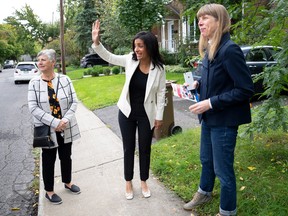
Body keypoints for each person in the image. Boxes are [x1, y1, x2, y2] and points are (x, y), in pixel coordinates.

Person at [183, 4, 254, 216]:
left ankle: (227, 211)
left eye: (205, 18)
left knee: (223, 171)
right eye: (198, 19)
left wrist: (211, 102)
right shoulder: (211, 47)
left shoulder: (229, 49)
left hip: (224, 121)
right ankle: (204, 192)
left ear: (219, 21)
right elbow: (216, 80)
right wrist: (197, 84)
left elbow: (245, 89)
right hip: (209, 119)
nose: (200, 23)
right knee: (206, 160)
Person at [91, 20, 166, 200]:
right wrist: (96, 42)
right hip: (126, 113)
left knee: (145, 148)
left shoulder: (159, 69)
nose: (136, 50)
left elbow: (162, 94)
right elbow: (109, 57)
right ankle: (128, 181)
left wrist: (159, 117)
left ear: (149, 47)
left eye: (140, 46)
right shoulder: (130, 60)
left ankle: (143, 181)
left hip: (146, 115)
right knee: (128, 148)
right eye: (135, 46)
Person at [28, 49, 81, 204]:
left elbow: (74, 102)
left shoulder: (65, 79)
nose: (40, 63)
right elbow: (33, 107)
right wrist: (55, 123)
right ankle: (49, 191)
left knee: (66, 156)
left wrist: (64, 120)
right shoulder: (34, 83)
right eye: (39, 60)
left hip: (65, 126)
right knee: (48, 159)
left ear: (53, 62)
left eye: (43, 60)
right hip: (47, 129)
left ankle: (68, 182)